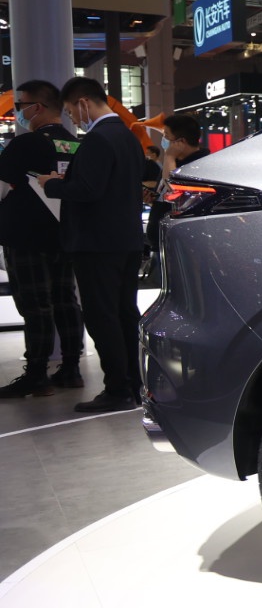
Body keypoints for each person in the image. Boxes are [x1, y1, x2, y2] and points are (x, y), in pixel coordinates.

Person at [37, 77, 146, 413]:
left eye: (71, 111)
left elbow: (88, 190)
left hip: (98, 243)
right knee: (124, 313)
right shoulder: (127, 136)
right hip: (125, 240)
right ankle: (134, 384)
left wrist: (51, 185)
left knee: (102, 316)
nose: (73, 118)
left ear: (83, 102)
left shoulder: (99, 138)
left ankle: (117, 389)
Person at [0, 80, 85, 397]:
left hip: (25, 235)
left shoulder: (25, 144)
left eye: (20, 106)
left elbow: (1, 187)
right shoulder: (76, 145)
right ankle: (71, 369)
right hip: (65, 235)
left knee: (35, 304)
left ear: (36, 107)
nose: (18, 112)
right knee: (66, 300)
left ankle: (37, 374)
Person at [143, 113, 208, 275]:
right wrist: (153, 200)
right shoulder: (173, 162)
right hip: (161, 244)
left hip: (182, 247)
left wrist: (170, 156)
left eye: (166, 136)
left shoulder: (199, 164)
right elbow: (165, 195)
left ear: (181, 142)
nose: (163, 140)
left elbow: (174, 190)